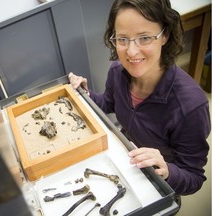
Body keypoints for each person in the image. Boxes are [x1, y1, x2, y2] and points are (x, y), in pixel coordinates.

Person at [69, 0, 210, 197]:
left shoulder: (190, 107)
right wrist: (85, 94)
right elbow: (107, 103)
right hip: (126, 157)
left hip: (161, 180)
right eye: (122, 39)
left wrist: (167, 171)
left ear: (165, 35)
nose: (131, 52)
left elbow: (194, 177)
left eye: (144, 38)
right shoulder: (118, 71)